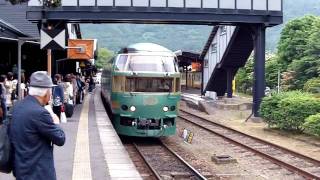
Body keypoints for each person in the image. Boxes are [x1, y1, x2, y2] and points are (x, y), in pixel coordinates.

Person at [9, 71, 65, 180]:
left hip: (21, 171)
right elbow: (60, 139)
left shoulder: (17, 107)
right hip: (39, 174)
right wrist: (56, 122)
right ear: (45, 93)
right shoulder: (40, 113)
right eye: (50, 90)